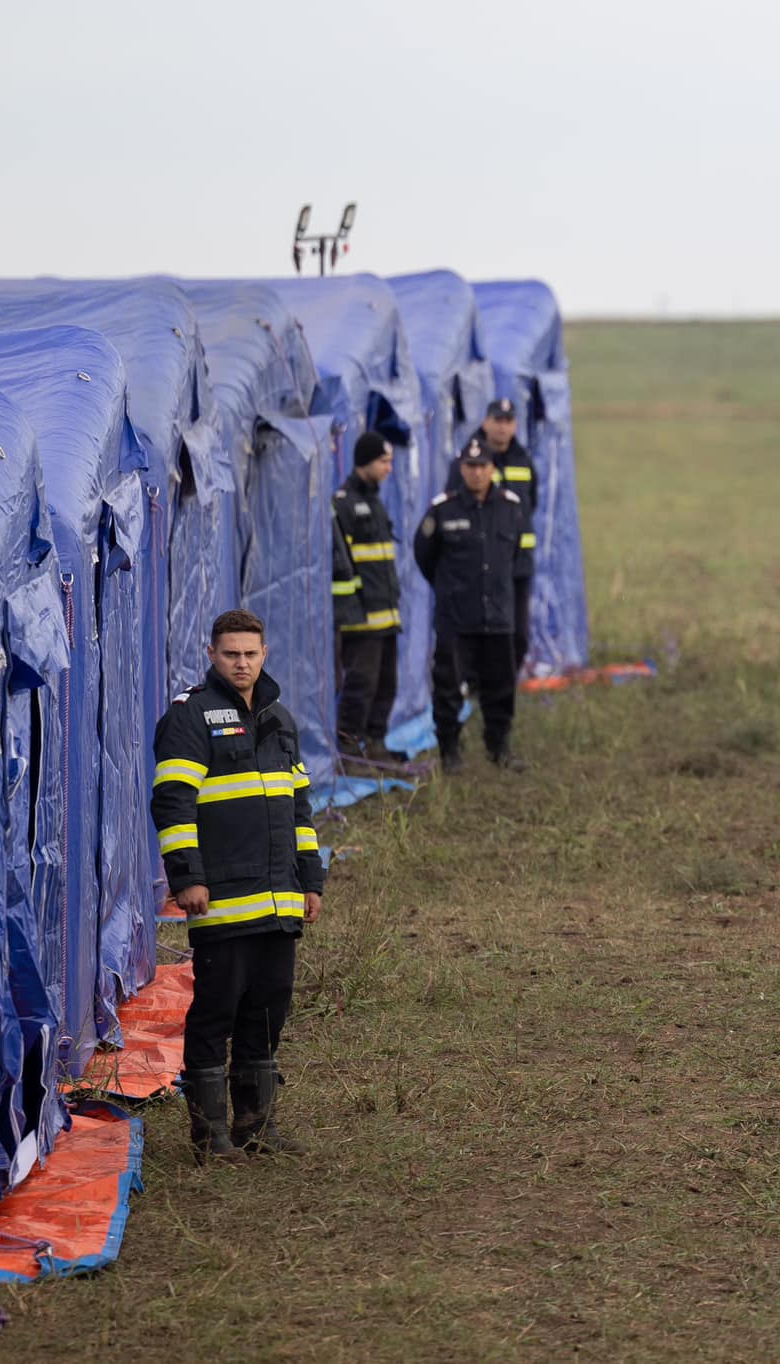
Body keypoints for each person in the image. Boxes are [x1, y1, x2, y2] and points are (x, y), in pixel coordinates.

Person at [151, 608, 324, 1162]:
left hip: (279, 899)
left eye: (250, 653)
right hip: (221, 899)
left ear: (265, 653)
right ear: (212, 655)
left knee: (269, 1008)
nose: (241, 663)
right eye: (231, 653)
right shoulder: (189, 717)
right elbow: (173, 804)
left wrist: (311, 882)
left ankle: (257, 1126)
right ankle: (211, 1136)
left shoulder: (280, 719)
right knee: (215, 1011)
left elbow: (300, 809)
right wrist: (187, 879)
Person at [415, 438, 532, 772]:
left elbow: (516, 555)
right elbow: (424, 554)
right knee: (449, 685)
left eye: (483, 467)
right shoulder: (443, 509)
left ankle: (500, 748)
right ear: (461, 468)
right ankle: (450, 751)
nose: (477, 473)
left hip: (498, 616)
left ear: (493, 469)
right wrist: (449, 589)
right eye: (470, 466)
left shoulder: (510, 507)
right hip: (456, 617)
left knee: (501, 685)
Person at [333, 432, 402, 757]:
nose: (390, 468)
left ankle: (376, 744)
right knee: (361, 686)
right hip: (362, 619)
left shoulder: (375, 501)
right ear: (365, 462)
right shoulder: (344, 504)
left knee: (387, 684)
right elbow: (340, 565)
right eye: (383, 461)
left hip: (386, 615)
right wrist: (351, 612)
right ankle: (349, 751)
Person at [462, 398, 538, 670]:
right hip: (483, 565)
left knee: (519, 634)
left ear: (515, 425)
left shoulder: (524, 460)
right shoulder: (471, 460)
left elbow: (532, 503)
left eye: (508, 422)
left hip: (518, 565)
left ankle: (505, 685)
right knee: (482, 632)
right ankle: (477, 685)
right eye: (497, 421)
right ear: (486, 423)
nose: (502, 428)